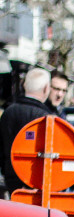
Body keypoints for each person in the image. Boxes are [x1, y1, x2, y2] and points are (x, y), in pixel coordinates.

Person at [0, 68, 53, 197]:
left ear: (24, 85)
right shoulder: (47, 118)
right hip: (38, 181)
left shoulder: (8, 112)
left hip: (10, 179)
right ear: (46, 89)